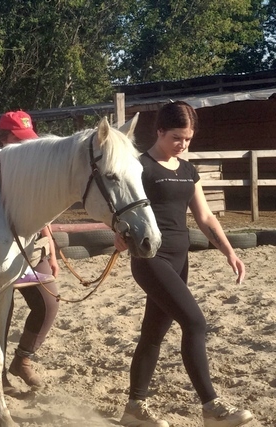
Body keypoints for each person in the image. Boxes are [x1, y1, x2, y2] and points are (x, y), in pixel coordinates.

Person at [114, 101, 253, 427]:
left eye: (188, 139)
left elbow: (204, 217)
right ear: (159, 130)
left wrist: (229, 251)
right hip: (150, 258)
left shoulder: (188, 170)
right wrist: (117, 233)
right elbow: (119, 207)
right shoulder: (139, 166)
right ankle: (211, 407)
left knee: (153, 333)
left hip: (180, 259)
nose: (183, 145)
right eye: (177, 137)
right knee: (195, 323)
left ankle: (134, 408)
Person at [0, 111, 59, 393]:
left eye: (27, 140)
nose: (24, 146)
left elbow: (41, 212)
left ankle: (22, 360)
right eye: (17, 140)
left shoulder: (32, 169)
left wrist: (51, 246)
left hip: (31, 248)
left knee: (49, 303)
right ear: (3, 139)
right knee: (1, 310)